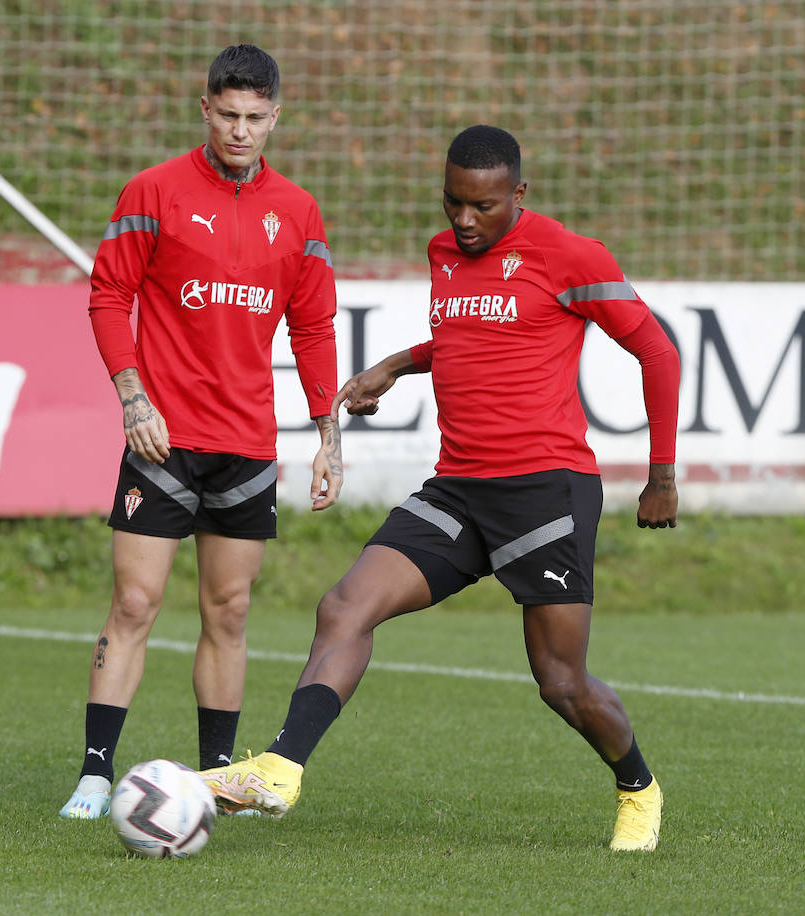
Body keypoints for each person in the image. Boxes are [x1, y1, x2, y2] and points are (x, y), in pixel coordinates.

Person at [201, 125, 680, 852]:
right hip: (458, 488)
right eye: (453, 202)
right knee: (345, 605)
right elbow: (463, 337)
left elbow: (657, 350)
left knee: (561, 683)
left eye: (482, 206)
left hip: (545, 493)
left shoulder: (570, 256)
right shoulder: (443, 253)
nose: (464, 220)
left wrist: (661, 474)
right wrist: (393, 366)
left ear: (518, 193)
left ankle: (638, 787)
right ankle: (281, 768)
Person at [60, 43, 341, 819]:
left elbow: (312, 329)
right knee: (135, 603)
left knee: (231, 611)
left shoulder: (301, 212)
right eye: (228, 115)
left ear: (275, 117)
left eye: (255, 118)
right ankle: (93, 771)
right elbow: (108, 296)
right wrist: (133, 399)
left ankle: (216, 780)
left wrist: (328, 435)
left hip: (247, 446)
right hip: (163, 440)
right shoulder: (153, 191)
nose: (241, 131)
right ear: (204, 109)